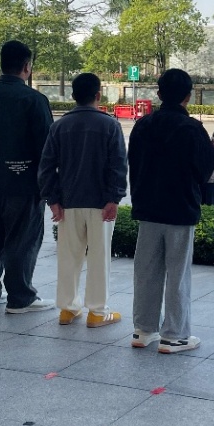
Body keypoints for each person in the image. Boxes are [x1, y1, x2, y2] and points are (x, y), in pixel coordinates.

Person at [127, 69, 214, 353]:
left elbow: (133, 163)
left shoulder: (143, 125)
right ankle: (174, 335)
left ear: (158, 94)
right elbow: (207, 169)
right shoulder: (192, 128)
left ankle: (143, 330)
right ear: (188, 96)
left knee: (146, 271)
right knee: (178, 274)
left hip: (148, 209)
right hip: (180, 208)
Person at [0, 40, 55, 313]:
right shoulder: (34, 100)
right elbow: (46, 147)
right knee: (22, 238)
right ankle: (20, 296)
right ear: (27, 66)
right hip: (24, 182)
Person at [38, 72, 128, 328]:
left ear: (73, 95)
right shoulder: (110, 125)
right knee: (99, 257)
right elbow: (118, 166)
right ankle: (97, 312)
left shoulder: (59, 126)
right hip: (101, 203)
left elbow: (46, 167)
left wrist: (53, 199)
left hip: (68, 203)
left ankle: (68, 309)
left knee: (68, 257)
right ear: (98, 95)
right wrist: (114, 198)